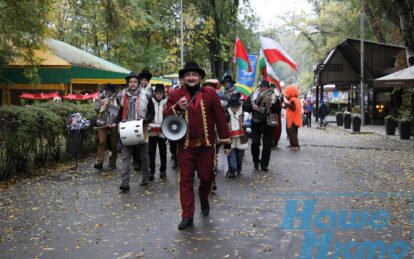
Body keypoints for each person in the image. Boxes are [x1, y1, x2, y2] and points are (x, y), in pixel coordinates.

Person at [163, 61, 231, 230]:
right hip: (185, 145)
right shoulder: (176, 94)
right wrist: (177, 107)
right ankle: (187, 216)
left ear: (200, 77)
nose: (191, 78)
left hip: (206, 146)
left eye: (194, 75)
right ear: (183, 78)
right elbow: (165, 115)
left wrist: (226, 141)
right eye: (188, 75)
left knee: (207, 178)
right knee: (185, 180)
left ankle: (204, 197)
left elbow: (220, 118)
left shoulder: (210, 93)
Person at [117, 71, 155, 192]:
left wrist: (146, 120)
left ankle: (145, 178)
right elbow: (119, 112)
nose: (133, 84)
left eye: (135, 82)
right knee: (126, 157)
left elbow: (151, 112)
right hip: (127, 129)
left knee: (144, 156)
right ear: (128, 83)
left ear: (138, 83)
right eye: (130, 82)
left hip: (142, 127)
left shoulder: (146, 94)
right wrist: (118, 124)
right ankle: (125, 182)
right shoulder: (121, 96)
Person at [244, 80, 281, 171]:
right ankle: (256, 160)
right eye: (261, 86)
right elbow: (245, 106)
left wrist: (270, 105)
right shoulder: (253, 95)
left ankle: (264, 164)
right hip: (256, 122)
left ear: (267, 87)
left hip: (268, 123)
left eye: (264, 87)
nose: (262, 88)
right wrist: (252, 107)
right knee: (255, 143)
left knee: (267, 145)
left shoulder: (274, 96)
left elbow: (278, 110)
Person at [94, 84, 119, 171]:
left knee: (113, 145)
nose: (108, 93)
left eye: (110, 91)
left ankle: (112, 162)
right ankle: (99, 162)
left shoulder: (117, 98)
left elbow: (119, 111)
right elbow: (96, 109)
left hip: (113, 123)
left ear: (113, 92)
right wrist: (101, 104)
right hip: (102, 123)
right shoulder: (101, 97)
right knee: (101, 142)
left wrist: (110, 106)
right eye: (107, 91)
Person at [225, 93, 248, 178]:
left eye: (236, 107)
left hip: (241, 138)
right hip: (230, 138)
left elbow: (248, 123)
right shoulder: (226, 113)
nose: (235, 109)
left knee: (240, 156)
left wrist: (246, 125)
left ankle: (238, 167)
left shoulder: (243, 114)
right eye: (233, 107)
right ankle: (232, 170)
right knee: (231, 155)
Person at [148, 84, 168, 180]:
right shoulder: (150, 101)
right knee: (151, 152)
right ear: (154, 93)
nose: (159, 95)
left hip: (163, 130)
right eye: (157, 93)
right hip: (152, 130)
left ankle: (163, 170)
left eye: (161, 93)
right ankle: (151, 171)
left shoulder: (167, 102)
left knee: (163, 152)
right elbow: (147, 113)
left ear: (164, 93)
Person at [283, 85, 302, 150]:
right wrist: (285, 106)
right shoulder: (295, 99)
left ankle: (296, 145)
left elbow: (293, 108)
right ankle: (292, 144)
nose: (286, 95)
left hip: (293, 120)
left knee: (293, 133)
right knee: (291, 133)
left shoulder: (293, 100)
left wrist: (287, 104)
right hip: (294, 119)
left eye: (287, 94)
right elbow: (290, 107)